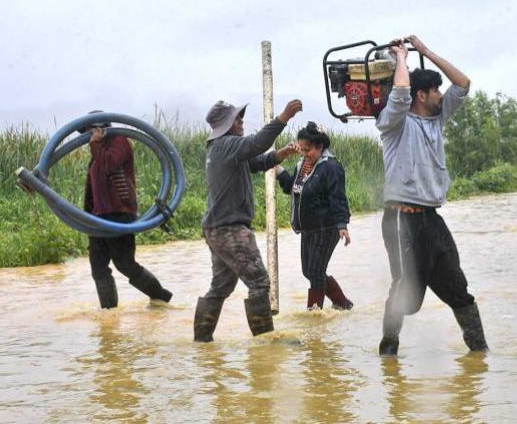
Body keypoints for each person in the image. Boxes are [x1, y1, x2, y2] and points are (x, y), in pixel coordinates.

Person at [375, 36, 489, 356]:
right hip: (402, 219)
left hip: (431, 219)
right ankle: (388, 353)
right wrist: (401, 59)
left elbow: (463, 84)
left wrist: (426, 53)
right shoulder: (394, 122)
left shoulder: (437, 119)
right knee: (406, 297)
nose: (441, 94)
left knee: (458, 289)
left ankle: (480, 353)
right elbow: (399, 95)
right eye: (435, 91)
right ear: (421, 96)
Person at [194, 99, 302, 342]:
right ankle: (265, 341)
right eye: (237, 119)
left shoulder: (220, 148)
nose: (241, 121)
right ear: (227, 125)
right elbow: (257, 143)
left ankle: (201, 341)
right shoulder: (227, 144)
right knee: (259, 281)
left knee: (221, 286)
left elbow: (257, 162)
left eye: (241, 118)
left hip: (217, 228)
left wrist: (280, 154)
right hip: (230, 228)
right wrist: (283, 116)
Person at [83, 110, 173, 309]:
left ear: (99, 128)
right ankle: (109, 313)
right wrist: (86, 220)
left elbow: (109, 165)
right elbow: (92, 190)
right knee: (98, 268)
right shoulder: (96, 151)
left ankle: (161, 298)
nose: (89, 136)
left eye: (91, 130)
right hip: (98, 219)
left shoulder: (119, 141)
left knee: (124, 264)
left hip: (119, 214)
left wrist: (96, 144)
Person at [275, 121, 353, 311]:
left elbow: (338, 198)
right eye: (301, 149)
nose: (303, 153)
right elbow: (292, 188)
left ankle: (313, 316)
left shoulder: (331, 167)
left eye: (307, 149)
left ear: (320, 147)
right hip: (308, 229)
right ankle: (343, 304)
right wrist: (277, 169)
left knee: (316, 272)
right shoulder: (302, 165)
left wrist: (342, 224)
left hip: (326, 228)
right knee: (308, 271)